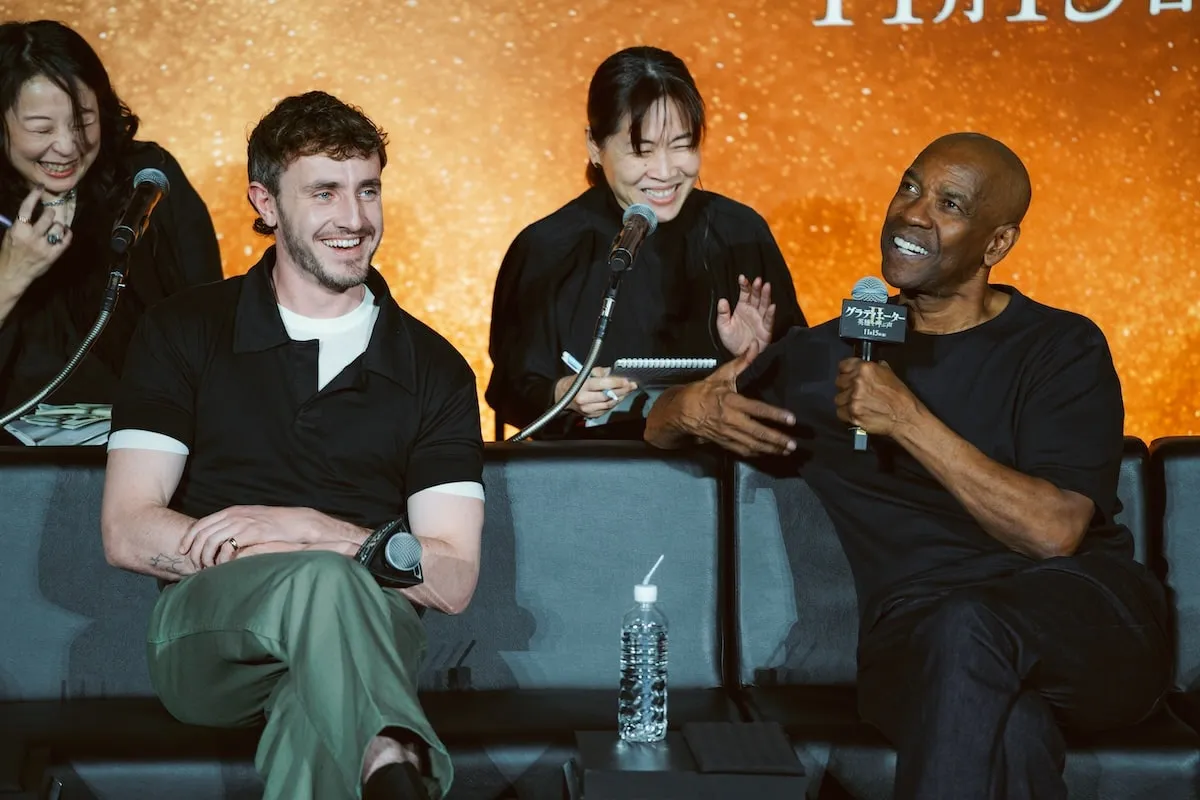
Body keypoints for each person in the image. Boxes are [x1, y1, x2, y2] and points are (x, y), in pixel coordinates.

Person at [644, 132, 1170, 799]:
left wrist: (907, 421)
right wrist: (690, 407)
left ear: (996, 243)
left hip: (1085, 621)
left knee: (970, 625)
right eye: (909, 187)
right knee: (1012, 730)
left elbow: (1054, 532)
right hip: (914, 640)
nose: (914, 213)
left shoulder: (1059, 347)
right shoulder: (826, 357)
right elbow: (662, 424)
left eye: (949, 203)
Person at [100, 91, 485, 800]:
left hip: (372, 637)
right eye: (325, 192)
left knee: (320, 693)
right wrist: (313, 554)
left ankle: (379, 757)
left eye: (368, 190)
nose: (356, 218)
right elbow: (128, 530)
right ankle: (390, 757)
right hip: (210, 636)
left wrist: (314, 529)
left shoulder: (433, 367)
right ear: (267, 202)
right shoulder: (184, 329)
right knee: (327, 580)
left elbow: (454, 581)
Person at [486, 45, 806, 439]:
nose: (666, 171)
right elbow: (507, 388)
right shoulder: (547, 247)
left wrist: (757, 356)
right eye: (642, 151)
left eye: (682, 145)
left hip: (724, 478)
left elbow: (802, 381)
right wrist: (560, 394)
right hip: (588, 481)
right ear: (594, 146)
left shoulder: (739, 232)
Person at [0, 20, 221, 425]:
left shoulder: (146, 180)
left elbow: (212, 320)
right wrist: (11, 275)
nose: (68, 146)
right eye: (41, 129)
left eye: (83, 120)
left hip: (148, 439)